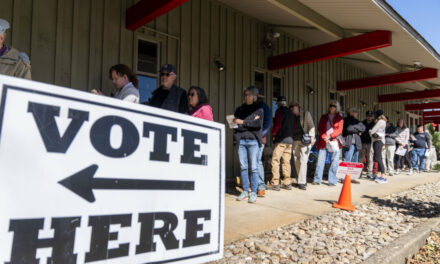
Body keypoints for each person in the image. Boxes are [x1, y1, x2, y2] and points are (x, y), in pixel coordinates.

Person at [233, 87, 264, 204]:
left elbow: (257, 124)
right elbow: (235, 126)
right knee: (243, 167)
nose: (246, 97)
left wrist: (242, 122)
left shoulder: (259, 109)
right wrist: (249, 122)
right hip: (241, 141)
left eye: (249, 94)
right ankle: (245, 191)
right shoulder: (239, 109)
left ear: (254, 96)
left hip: (253, 142)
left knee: (254, 168)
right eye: (245, 94)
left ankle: (254, 192)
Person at [313, 100, 343, 186]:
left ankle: (332, 180)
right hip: (324, 141)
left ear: (337, 108)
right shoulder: (324, 116)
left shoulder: (339, 118)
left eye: (334, 106)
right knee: (320, 161)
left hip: (334, 141)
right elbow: (320, 128)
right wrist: (324, 137)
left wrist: (330, 136)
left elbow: (339, 130)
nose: (332, 107)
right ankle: (317, 179)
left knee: (334, 161)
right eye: (331, 105)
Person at [268, 96, 294, 191]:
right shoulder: (291, 113)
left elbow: (277, 124)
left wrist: (274, 134)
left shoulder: (279, 111)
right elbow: (294, 126)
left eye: (277, 103)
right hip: (290, 140)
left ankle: (275, 183)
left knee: (275, 160)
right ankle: (287, 183)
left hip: (281, 140)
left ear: (279, 103)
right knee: (286, 162)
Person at [291, 102, 315, 190]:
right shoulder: (292, 116)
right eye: (291, 107)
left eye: (293, 107)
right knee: (296, 160)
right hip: (295, 140)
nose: (292, 109)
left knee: (303, 160)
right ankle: (301, 180)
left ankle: (302, 182)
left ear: (298, 107)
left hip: (305, 140)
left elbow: (311, 126)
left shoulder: (306, 114)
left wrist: (312, 137)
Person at [252, 87, 272, 198]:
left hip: (258, 138)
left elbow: (268, 122)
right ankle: (255, 185)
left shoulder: (262, 106)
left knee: (257, 161)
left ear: (256, 95)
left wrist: (260, 134)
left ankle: (261, 187)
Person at [370, 110, 387, 183]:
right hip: (378, 140)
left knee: (378, 157)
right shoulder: (383, 121)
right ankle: (379, 174)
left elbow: (373, 131)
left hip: (378, 140)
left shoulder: (380, 121)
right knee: (378, 157)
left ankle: (383, 175)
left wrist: (370, 132)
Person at [359, 111, 375, 178]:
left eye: (371, 116)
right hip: (362, 142)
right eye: (368, 116)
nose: (369, 117)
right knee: (361, 158)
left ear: (372, 117)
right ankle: (360, 172)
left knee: (370, 158)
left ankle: (369, 172)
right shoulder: (362, 123)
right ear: (366, 116)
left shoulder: (374, 124)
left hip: (370, 143)